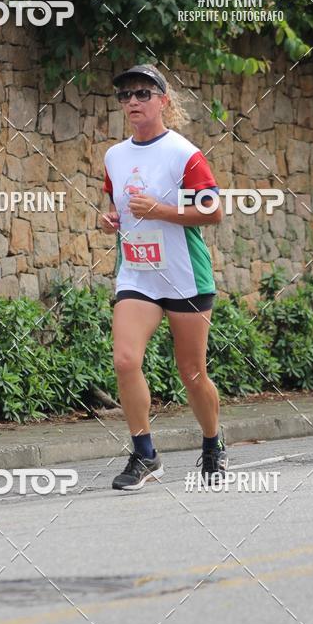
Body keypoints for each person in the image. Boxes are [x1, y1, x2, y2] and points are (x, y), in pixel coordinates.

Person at [100, 63, 227, 491]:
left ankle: (212, 443)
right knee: (125, 360)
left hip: (184, 276)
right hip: (138, 275)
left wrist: (162, 211)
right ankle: (145, 453)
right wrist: (111, 219)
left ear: (163, 101)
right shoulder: (115, 157)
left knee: (192, 373)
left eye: (143, 93)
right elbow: (117, 206)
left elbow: (213, 211)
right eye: (125, 95)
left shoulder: (183, 153)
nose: (132, 101)